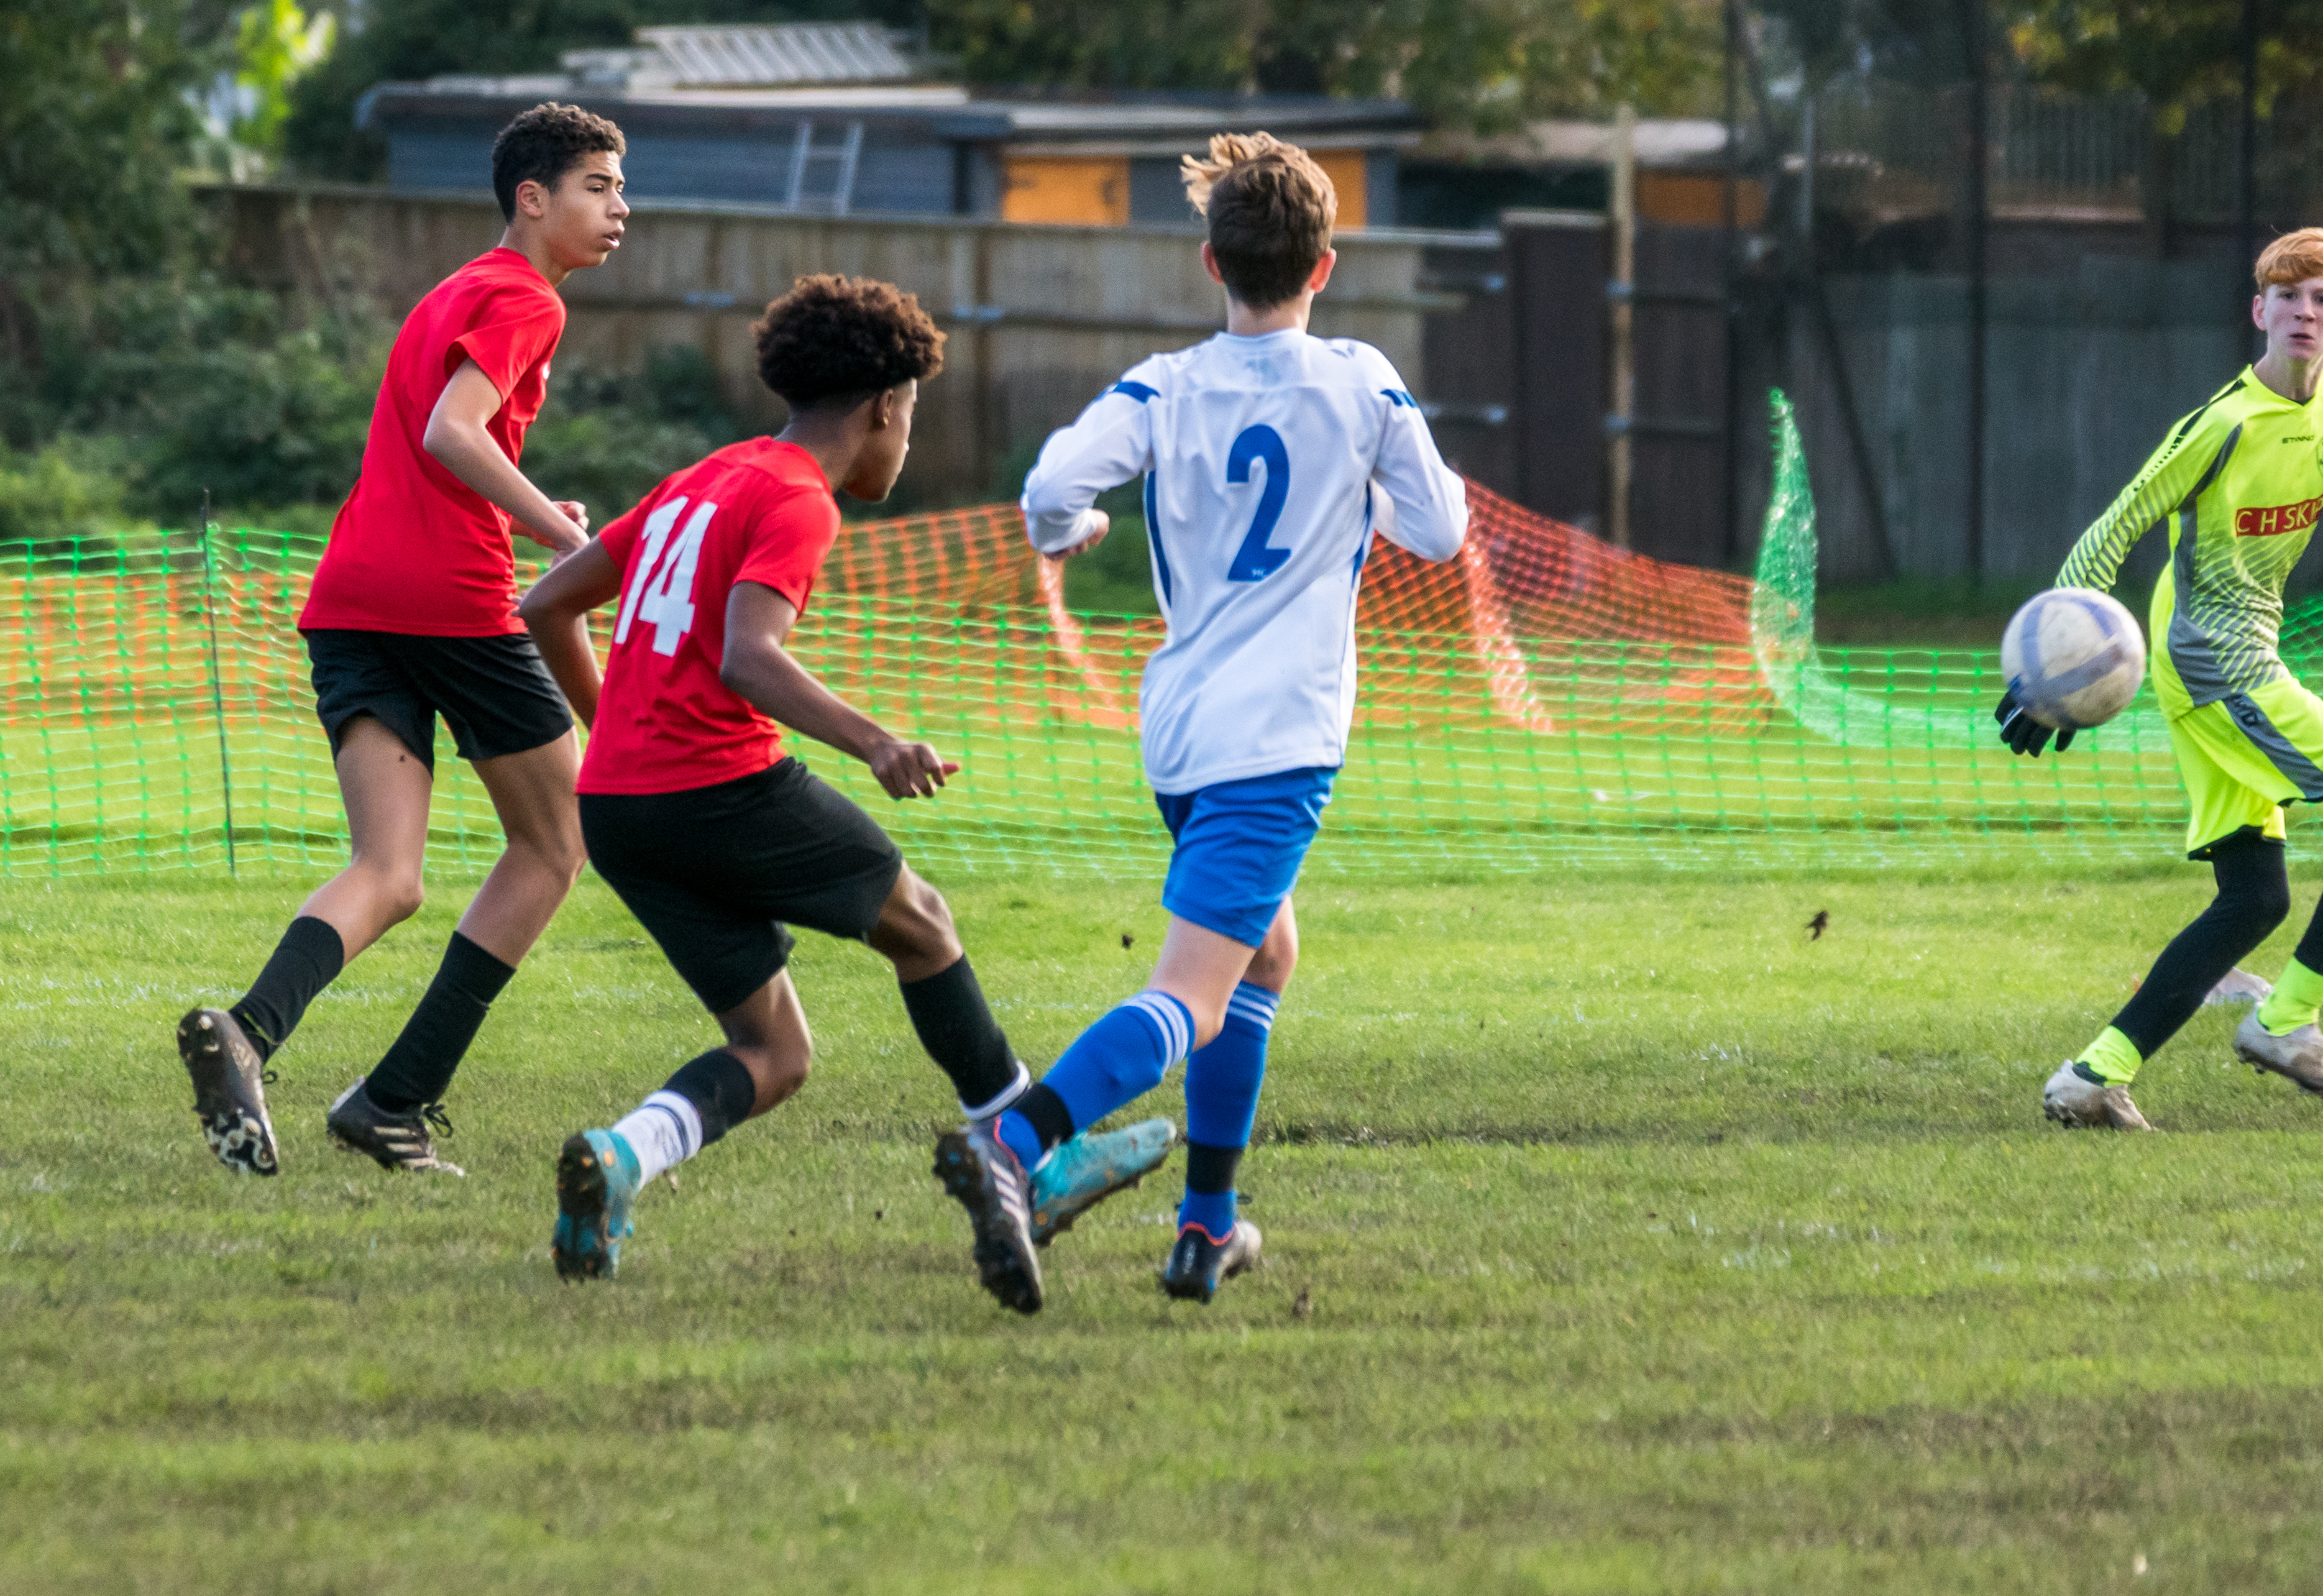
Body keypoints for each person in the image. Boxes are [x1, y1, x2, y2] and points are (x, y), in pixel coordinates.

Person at [516, 274, 1168, 1309]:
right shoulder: (795, 501)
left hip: (624, 808)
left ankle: (623, 1155)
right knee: (921, 922)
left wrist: (621, 742)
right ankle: (1032, 1168)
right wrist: (876, 742)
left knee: (774, 1051)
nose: (904, 445)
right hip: (716, 785)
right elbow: (748, 656)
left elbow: (547, 603)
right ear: (882, 408)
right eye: (910, 420)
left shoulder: (706, 477)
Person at [981, 132, 1470, 1304]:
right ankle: (1012, 1142)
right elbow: (1442, 533)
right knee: (1195, 991)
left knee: (1267, 955)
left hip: (1183, 731)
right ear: (1326, 264)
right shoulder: (1361, 380)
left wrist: (1072, 536)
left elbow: (1050, 488)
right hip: (1282, 737)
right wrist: (1361, 499)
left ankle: (1208, 1229)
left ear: (1211, 264)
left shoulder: (1164, 384)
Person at [178, 103, 627, 1178]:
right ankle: (393, 1101)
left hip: (353, 598)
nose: (622, 209)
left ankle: (246, 1032)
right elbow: (450, 435)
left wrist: (530, 509)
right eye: (601, 187)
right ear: (533, 198)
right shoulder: (526, 297)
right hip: (448, 599)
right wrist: (572, 535)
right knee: (556, 843)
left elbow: (448, 444)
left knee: (390, 871)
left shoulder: (457, 289)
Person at [2004, 227, 2323, 1130]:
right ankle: (2284, 1022)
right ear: (2257, 311)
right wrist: (2050, 669)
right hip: (2208, 656)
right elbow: (2111, 531)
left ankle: (2090, 1077)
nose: (2303, 313)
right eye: (2287, 296)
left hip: (2237, 654)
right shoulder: (2222, 424)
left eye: (2321, 300)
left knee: (2253, 899)